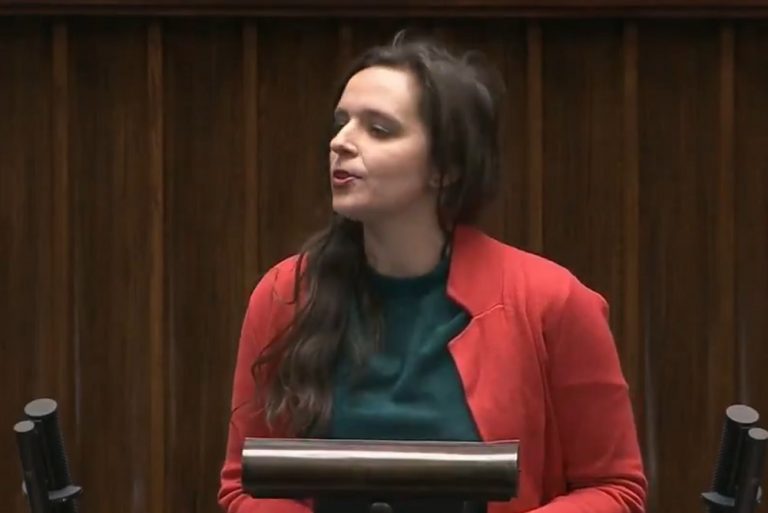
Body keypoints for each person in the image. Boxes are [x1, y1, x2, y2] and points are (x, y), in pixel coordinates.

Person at [218, 30, 647, 513]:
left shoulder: (553, 301)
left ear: (446, 168)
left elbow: (615, 488)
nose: (340, 143)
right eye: (341, 123)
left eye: (379, 129)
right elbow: (243, 487)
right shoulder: (286, 294)